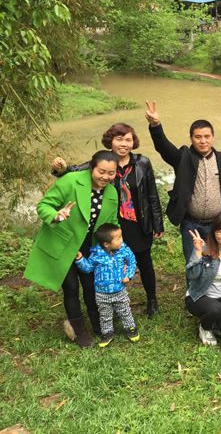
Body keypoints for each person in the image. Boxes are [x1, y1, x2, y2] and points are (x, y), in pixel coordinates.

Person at [51, 123, 164, 316]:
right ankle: (114, 302)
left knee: (144, 261)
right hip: (109, 224)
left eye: (128, 140)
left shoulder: (142, 163)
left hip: (138, 223)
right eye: (119, 139)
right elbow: (75, 171)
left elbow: (152, 194)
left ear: (133, 142)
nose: (124, 144)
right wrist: (60, 170)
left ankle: (152, 300)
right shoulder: (102, 162)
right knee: (109, 263)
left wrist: (157, 223)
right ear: (110, 141)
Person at [25, 150, 119, 348]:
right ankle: (79, 331)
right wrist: (56, 215)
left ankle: (98, 324)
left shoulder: (111, 193)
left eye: (111, 173)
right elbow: (44, 205)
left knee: (92, 287)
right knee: (71, 288)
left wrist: (116, 247)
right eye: (101, 171)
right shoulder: (70, 181)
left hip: (91, 248)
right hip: (65, 244)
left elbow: (112, 222)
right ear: (92, 167)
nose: (106, 177)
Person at [144, 101, 221, 266]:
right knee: (193, 262)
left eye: (207, 136)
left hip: (218, 222)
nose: (203, 141)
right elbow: (163, 147)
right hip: (191, 223)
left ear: (213, 137)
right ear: (191, 138)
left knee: (217, 262)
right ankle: (194, 284)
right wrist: (155, 125)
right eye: (198, 137)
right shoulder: (183, 157)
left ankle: (215, 284)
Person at [74, 223, 140, 347]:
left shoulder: (124, 250)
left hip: (119, 290)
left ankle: (131, 328)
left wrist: (129, 275)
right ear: (106, 244)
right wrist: (80, 259)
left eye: (121, 237)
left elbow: (132, 261)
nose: (122, 240)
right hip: (101, 293)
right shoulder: (97, 255)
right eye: (118, 238)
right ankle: (107, 333)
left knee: (124, 310)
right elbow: (88, 268)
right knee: (105, 314)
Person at [185, 213, 221, 346]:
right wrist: (198, 252)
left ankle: (214, 320)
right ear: (214, 233)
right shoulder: (206, 249)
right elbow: (192, 275)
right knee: (215, 308)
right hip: (199, 296)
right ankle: (205, 327)